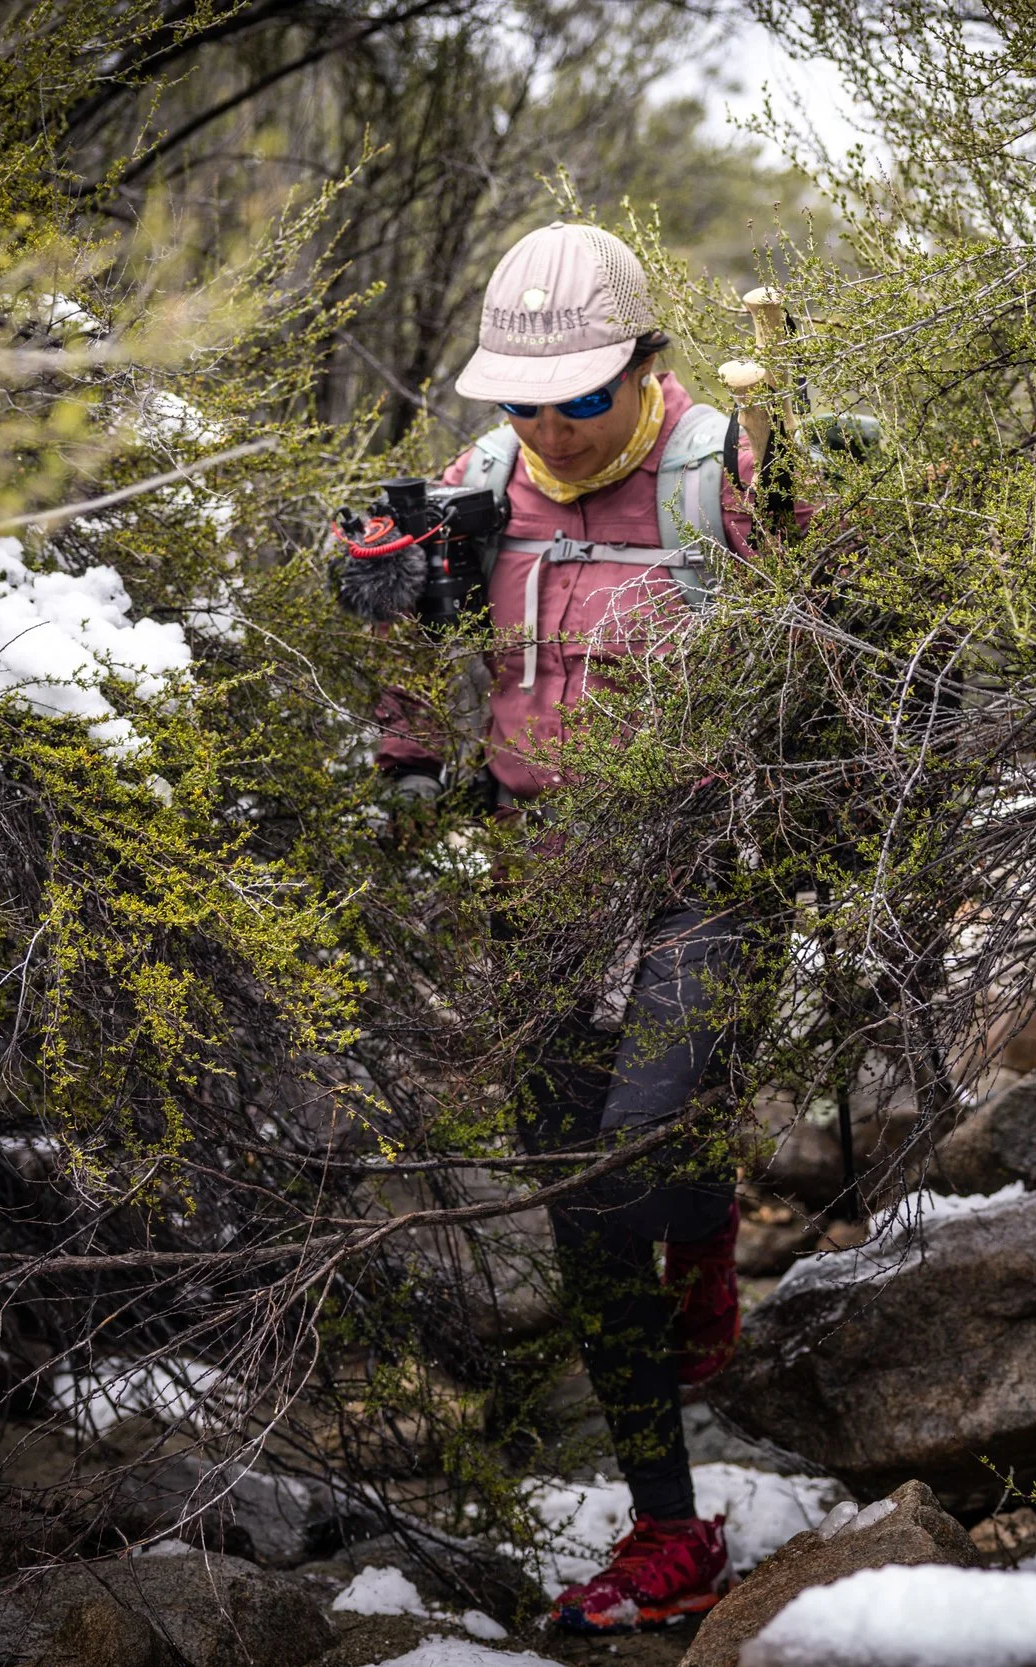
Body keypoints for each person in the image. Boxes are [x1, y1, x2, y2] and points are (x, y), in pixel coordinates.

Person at [371, 222, 773, 1633]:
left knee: (635, 1153)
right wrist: (402, 719)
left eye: (580, 396)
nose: (548, 424)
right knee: (576, 1200)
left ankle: (705, 1214)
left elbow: (856, 639)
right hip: (535, 864)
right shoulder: (478, 487)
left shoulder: (731, 470)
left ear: (643, 369)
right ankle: (671, 1533)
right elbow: (419, 673)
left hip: (703, 860)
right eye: (522, 399)